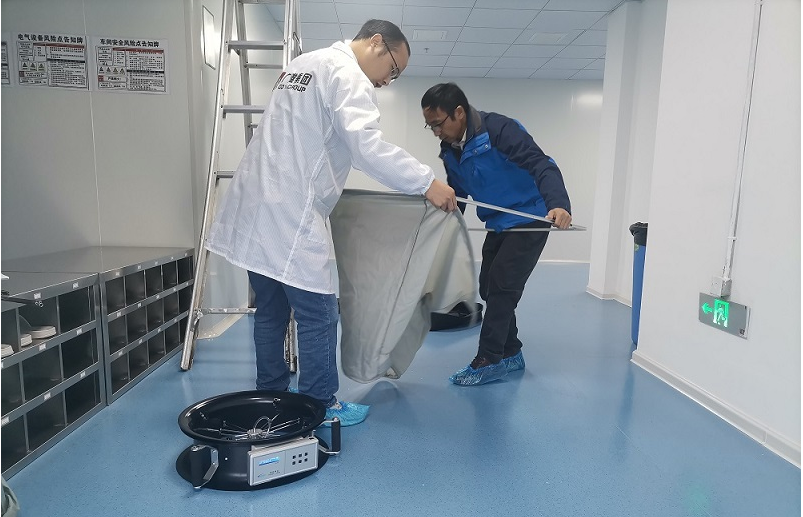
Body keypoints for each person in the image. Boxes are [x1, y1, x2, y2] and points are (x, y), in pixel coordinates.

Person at [207, 20, 457, 426]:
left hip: (256, 204)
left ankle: (272, 391)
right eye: (393, 70)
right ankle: (320, 404)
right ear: (376, 43)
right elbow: (366, 147)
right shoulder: (347, 75)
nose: (388, 81)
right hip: (291, 210)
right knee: (319, 314)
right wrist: (426, 182)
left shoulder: (303, 64)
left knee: (270, 310)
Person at [420, 82, 572, 386]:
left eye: (438, 123)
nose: (436, 132)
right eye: (430, 126)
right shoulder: (450, 150)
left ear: (459, 113)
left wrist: (558, 204)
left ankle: (489, 359)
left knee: (503, 286)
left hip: (529, 216)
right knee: (488, 287)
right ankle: (511, 352)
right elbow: (459, 193)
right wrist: (443, 224)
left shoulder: (500, 130)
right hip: (499, 222)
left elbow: (541, 164)